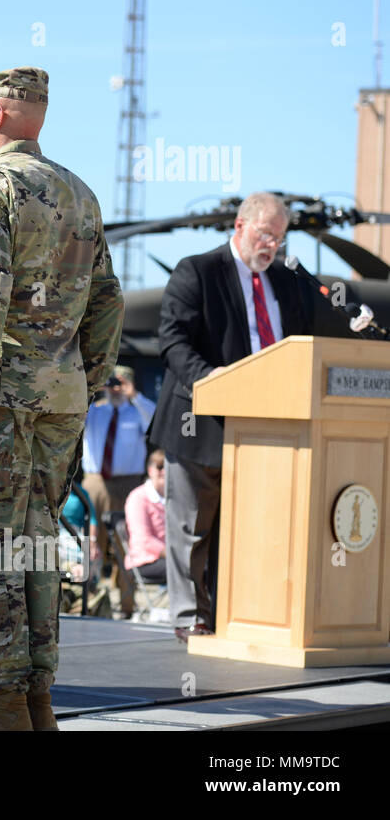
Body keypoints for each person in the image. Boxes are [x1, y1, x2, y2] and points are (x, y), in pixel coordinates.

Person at [0, 67, 123, 731]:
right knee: (37, 545)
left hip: (1, 398)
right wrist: (87, 382)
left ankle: (1, 699)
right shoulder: (81, 192)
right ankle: (37, 699)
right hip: (59, 401)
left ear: (2, 115)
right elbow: (106, 302)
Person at [147, 191, 347, 643]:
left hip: (267, 428)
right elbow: (173, 342)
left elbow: (302, 345)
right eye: (264, 235)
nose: (271, 246)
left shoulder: (288, 282)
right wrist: (214, 381)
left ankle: (236, 612)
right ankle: (188, 617)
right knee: (193, 528)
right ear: (239, 227)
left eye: (279, 238)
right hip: (200, 424)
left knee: (248, 529)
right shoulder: (197, 271)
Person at [81, 364, 154, 615]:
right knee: (90, 542)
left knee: (127, 545)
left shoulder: (138, 412)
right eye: (112, 383)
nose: (115, 388)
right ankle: (87, 602)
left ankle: (126, 604)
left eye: (120, 383)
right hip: (95, 482)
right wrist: (93, 387)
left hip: (128, 484)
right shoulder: (95, 411)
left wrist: (134, 396)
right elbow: (75, 415)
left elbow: (155, 421)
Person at [124, 448, 167, 585]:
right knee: (185, 569)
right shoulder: (138, 497)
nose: (164, 471)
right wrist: (175, 554)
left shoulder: (177, 498)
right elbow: (144, 539)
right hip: (144, 560)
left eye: (168, 467)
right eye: (160, 467)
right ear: (150, 470)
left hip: (170, 558)